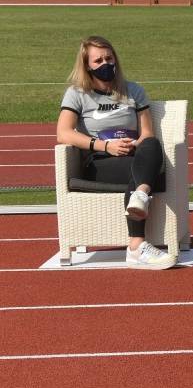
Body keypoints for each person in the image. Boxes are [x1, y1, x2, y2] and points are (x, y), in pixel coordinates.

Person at [55, 36, 178, 269]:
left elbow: (147, 133)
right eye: (98, 60)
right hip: (100, 161)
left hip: (133, 154)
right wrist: (105, 146)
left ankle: (140, 199)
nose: (105, 64)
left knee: (151, 144)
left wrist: (134, 144)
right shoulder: (77, 93)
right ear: (87, 65)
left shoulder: (133, 91)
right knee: (139, 171)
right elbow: (63, 133)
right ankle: (137, 245)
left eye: (109, 58)